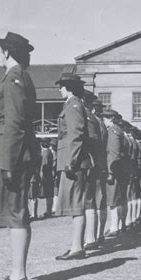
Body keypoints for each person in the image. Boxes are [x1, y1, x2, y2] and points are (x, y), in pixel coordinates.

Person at [0, 32, 40, 280]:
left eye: (1, 51)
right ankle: (18, 273)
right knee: (17, 212)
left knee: (16, 212)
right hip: (17, 153)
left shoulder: (14, 77)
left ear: (7, 52)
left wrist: (8, 163)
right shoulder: (19, 76)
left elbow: (15, 123)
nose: (0, 56)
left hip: (14, 155)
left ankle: (18, 275)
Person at [54, 73, 92, 260]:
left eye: (61, 86)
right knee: (75, 204)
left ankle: (77, 247)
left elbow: (76, 134)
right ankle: (77, 245)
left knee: (76, 204)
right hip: (72, 160)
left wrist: (71, 161)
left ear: (68, 87)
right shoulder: (72, 104)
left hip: (73, 161)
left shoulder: (73, 105)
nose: (59, 89)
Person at [82, 90, 104, 250]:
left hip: (90, 163)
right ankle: (93, 237)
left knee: (88, 202)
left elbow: (93, 141)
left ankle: (90, 238)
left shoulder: (89, 118)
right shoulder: (97, 120)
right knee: (93, 201)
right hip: (96, 163)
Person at [103, 110, 128, 237]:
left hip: (113, 169)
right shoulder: (119, 131)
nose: (104, 121)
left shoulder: (112, 132)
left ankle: (114, 227)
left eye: (105, 119)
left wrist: (110, 172)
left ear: (111, 119)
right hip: (121, 169)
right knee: (120, 199)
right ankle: (121, 225)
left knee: (113, 200)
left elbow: (113, 154)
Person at [92, 99, 108, 243]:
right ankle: (100, 234)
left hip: (94, 164)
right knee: (101, 201)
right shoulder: (102, 123)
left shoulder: (93, 122)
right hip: (102, 164)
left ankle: (93, 236)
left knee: (93, 202)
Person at [39, 138, 54, 218]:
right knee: (49, 193)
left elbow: (44, 165)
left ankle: (48, 211)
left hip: (46, 175)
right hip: (49, 174)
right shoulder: (49, 152)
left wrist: (42, 175)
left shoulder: (45, 153)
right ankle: (49, 210)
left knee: (48, 193)